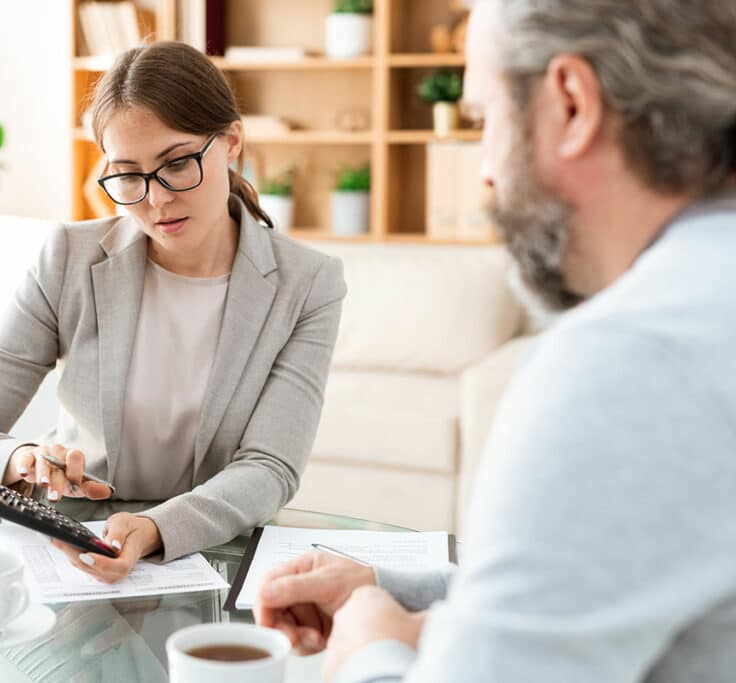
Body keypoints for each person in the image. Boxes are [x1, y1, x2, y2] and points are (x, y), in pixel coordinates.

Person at [255, 1, 736, 681]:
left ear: (571, 103)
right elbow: (616, 584)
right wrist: (393, 595)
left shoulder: (629, 361)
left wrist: (369, 644)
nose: (483, 169)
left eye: (483, 121)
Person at [0, 41, 346, 583]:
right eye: (128, 174)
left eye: (177, 163)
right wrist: (18, 459)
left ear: (232, 141)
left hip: (213, 560)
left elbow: (270, 468)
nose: (156, 199)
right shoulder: (67, 260)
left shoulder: (308, 284)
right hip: (77, 558)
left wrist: (155, 528)